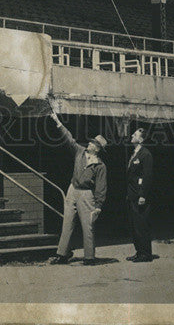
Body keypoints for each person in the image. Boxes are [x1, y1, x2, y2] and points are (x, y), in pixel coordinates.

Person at [47, 103, 107, 266]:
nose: (90, 144)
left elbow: (101, 187)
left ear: (97, 149)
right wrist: (58, 122)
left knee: (88, 226)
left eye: (93, 143)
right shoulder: (80, 152)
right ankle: (62, 254)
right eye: (91, 142)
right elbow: (69, 138)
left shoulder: (100, 166)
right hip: (72, 189)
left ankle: (89, 257)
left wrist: (99, 205)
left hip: (87, 194)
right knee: (67, 222)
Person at [126, 127, 154, 262]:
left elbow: (147, 176)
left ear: (141, 139)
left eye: (135, 134)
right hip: (132, 194)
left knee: (141, 225)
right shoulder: (134, 153)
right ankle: (139, 251)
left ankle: (145, 254)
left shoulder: (145, 154)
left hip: (140, 195)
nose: (132, 135)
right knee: (134, 225)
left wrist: (143, 194)